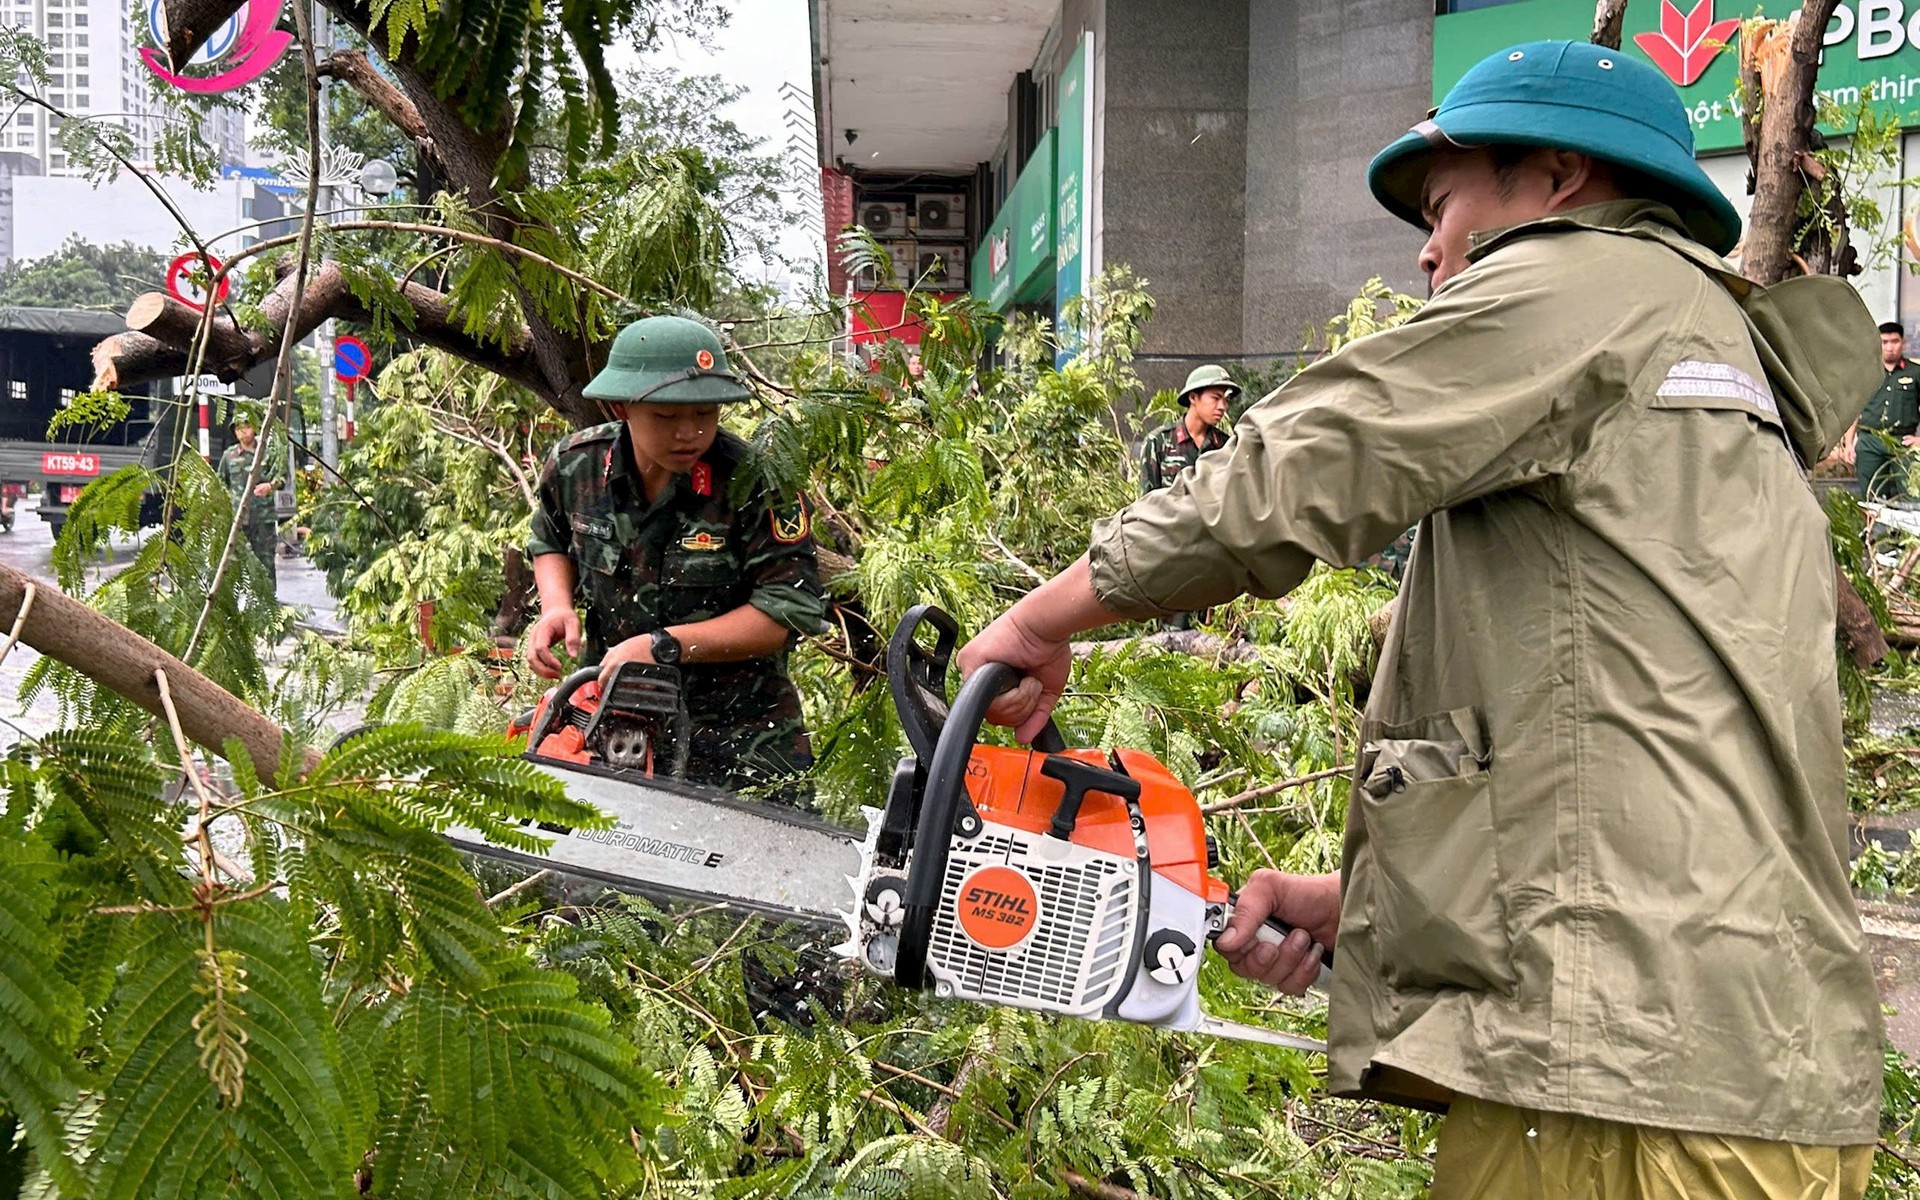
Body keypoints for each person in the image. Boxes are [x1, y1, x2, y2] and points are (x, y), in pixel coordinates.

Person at [956, 40, 1882, 1199]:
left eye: (1444, 207)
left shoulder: (1582, 286)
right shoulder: (1716, 364)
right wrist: (1368, 905)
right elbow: (1646, 753)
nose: (1431, 251)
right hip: (1750, 1066)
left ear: (1556, 180)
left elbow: (1295, 470)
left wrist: (1044, 619)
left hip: (1621, 1089)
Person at [524, 315, 828, 805]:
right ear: (621, 406)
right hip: (617, 727)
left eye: (705, 414)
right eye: (667, 417)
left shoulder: (756, 483)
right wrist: (556, 607)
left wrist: (665, 646)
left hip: (743, 740)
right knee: (600, 870)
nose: (690, 433)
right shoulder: (578, 465)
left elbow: (784, 612)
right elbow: (549, 538)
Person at [1138, 364, 1236, 494]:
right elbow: (1146, 503)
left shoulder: (1225, 446)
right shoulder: (1158, 442)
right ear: (1193, 397)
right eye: (1216, 398)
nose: (1222, 406)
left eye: (1226, 400)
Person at [1848, 320, 1919, 499]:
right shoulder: (1867, 373)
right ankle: (1876, 527)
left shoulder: (1915, 372)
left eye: (1894, 342)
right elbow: (1854, 410)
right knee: (1872, 497)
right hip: (1869, 441)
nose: (1889, 347)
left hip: (1903, 442)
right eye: (1884, 342)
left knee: (1912, 494)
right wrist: (1848, 444)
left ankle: (1906, 527)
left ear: (1903, 343)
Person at [215, 407, 281, 591]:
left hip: (263, 518)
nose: (243, 432)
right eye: (238, 428)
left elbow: (281, 478)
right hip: (238, 520)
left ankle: (269, 602)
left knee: (265, 562)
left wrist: (270, 486)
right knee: (235, 564)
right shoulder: (228, 456)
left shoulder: (266, 452)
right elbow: (220, 484)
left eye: (246, 426)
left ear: (255, 428)